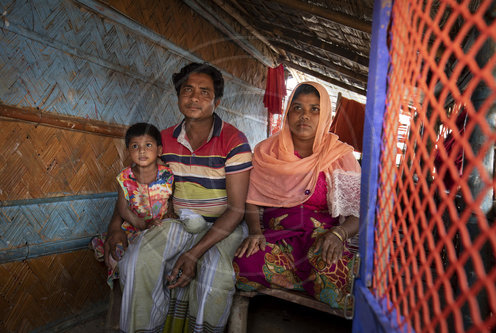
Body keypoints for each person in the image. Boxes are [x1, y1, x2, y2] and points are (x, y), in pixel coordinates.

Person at [104, 62, 252, 332]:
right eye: (188, 90)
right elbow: (134, 186)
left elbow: (236, 210)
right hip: (177, 222)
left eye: (205, 92)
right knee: (137, 262)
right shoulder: (161, 141)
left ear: (217, 101)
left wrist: (194, 254)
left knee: (213, 281)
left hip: (222, 226)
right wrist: (114, 227)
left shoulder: (234, 141)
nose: (195, 98)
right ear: (178, 96)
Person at [233, 82, 361, 310]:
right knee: (243, 264)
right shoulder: (267, 151)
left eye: (315, 109)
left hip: (321, 239)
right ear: (288, 112)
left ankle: (308, 277)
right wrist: (255, 232)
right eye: (298, 107)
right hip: (278, 238)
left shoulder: (339, 155)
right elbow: (251, 198)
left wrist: (339, 235)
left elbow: (357, 213)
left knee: (333, 274)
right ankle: (306, 280)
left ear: (325, 116)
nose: (305, 116)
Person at [91, 122, 175, 288]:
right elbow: (122, 208)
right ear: (129, 150)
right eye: (135, 146)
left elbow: (170, 200)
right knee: (117, 258)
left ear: (159, 150)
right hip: (133, 229)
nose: (141, 151)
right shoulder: (124, 177)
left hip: (160, 228)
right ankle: (123, 290)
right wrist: (142, 224)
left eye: (148, 145)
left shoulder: (167, 174)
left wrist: (168, 216)